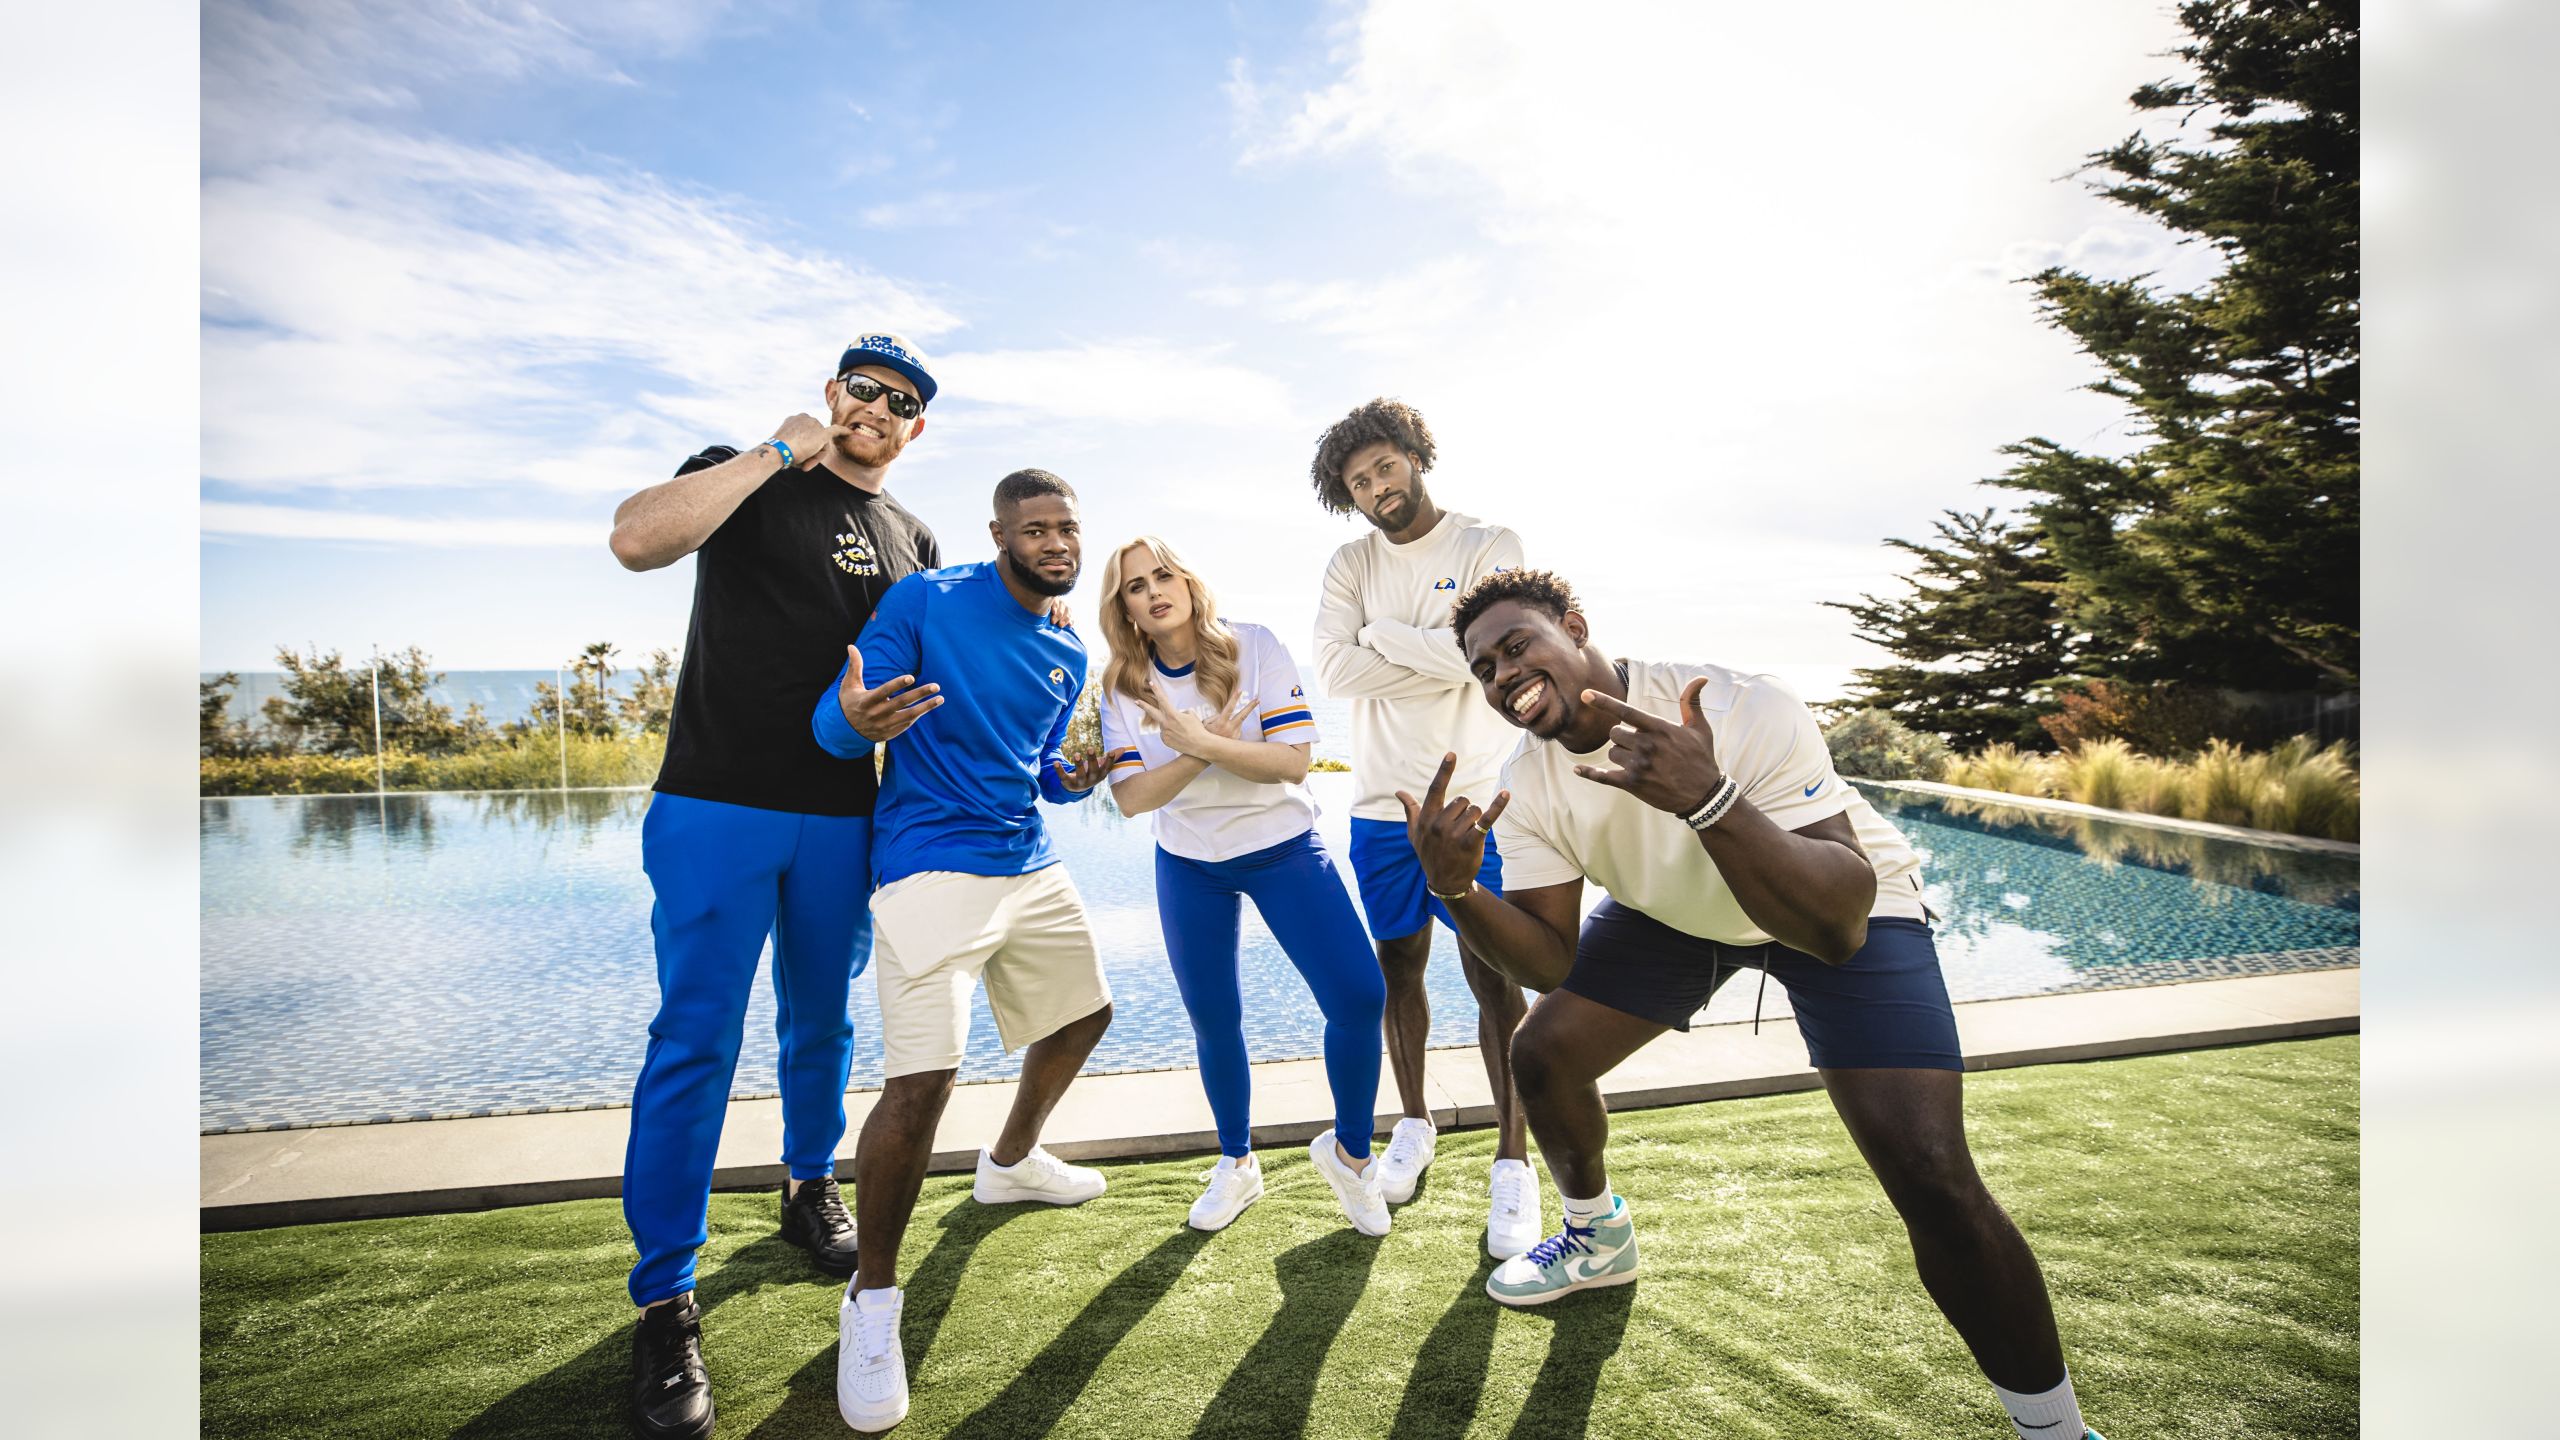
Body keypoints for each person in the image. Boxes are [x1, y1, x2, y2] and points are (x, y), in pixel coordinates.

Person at [1404, 567, 2106, 1440]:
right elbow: (1549, 961)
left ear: (1576, 627)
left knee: (1929, 1170)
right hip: (1681, 914)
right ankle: (1596, 1236)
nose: (1505, 674)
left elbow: (1839, 923)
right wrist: (1461, 891)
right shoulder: (1530, 782)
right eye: (1485, 669)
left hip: (1828, 893)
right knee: (1543, 1053)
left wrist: (1707, 797)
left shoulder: (1739, 706)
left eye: (1517, 646)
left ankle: (2056, 1431)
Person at [605, 333, 942, 1440]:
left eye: (902, 402)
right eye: (863, 389)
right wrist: (770, 451)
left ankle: (807, 1186)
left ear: (916, 428)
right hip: (716, 802)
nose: (878, 410)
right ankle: (665, 1298)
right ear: (831, 391)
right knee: (694, 1039)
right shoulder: (752, 476)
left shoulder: (915, 537)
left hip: (846, 817)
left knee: (820, 1025)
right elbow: (636, 539)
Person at [810, 468, 1116, 1432]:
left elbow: (1037, 770)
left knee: (1087, 1012)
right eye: (1035, 528)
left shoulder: (1068, 645)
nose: (1055, 541)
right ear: (999, 535)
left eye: (1066, 526)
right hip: (929, 860)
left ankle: (1013, 1159)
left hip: (1025, 856)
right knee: (922, 1081)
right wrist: (850, 721)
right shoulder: (928, 599)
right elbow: (836, 717)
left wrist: (1073, 778)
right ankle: (873, 1300)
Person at [1094, 535, 1391, 1236]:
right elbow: (1133, 799)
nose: (1154, 591)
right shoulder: (1121, 686)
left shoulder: (1253, 645)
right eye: (1136, 586)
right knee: (1215, 1018)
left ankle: (1351, 1156)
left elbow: (1290, 762)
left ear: (1191, 583)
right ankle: (1237, 1164)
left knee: (1358, 995)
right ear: (1125, 609)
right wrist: (1206, 755)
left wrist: (1202, 744)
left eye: (1163, 575)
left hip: (1283, 849)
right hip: (1189, 864)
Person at [1309, 398, 1540, 1259]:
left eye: (1385, 468)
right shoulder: (1349, 562)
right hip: (1378, 806)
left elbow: (1493, 662)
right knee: (1398, 969)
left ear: (1415, 455)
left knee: (1495, 981)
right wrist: (1436, 656)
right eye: (1359, 482)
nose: (1376, 489)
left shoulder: (1490, 545)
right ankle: (1414, 1121)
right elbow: (1334, 670)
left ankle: (1513, 1162)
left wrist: (1387, 638)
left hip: (1475, 799)